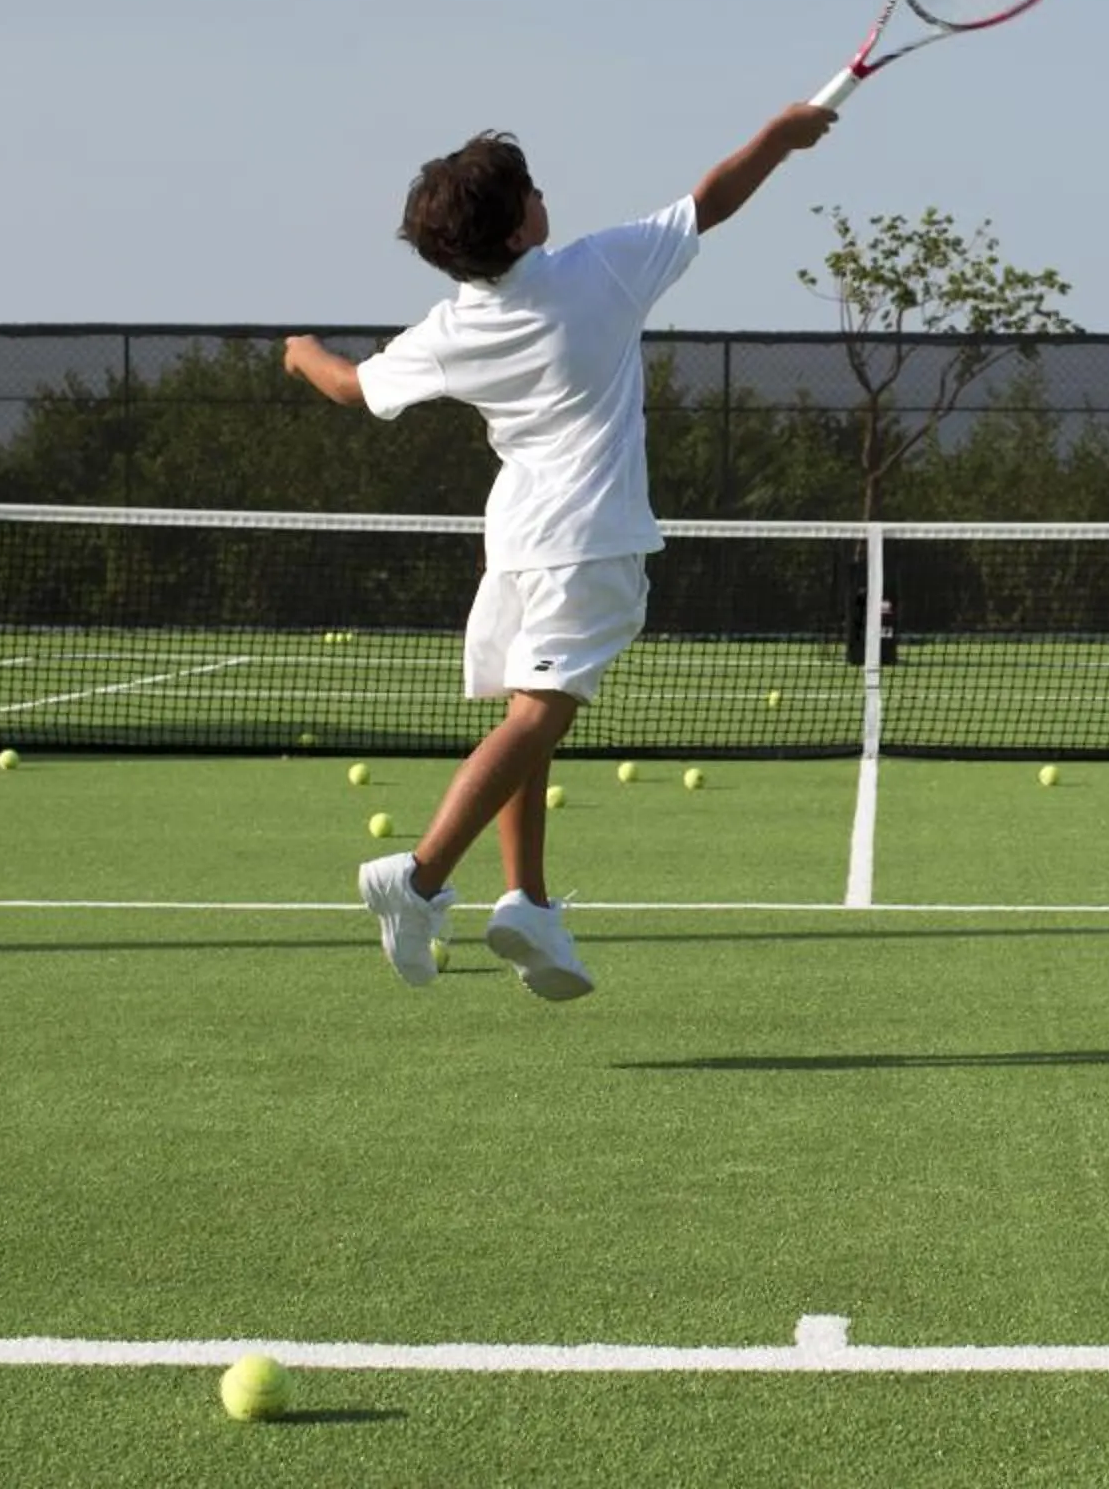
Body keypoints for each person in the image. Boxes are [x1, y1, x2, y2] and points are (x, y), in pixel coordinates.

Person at [284, 102, 834, 997]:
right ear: (517, 226)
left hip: (516, 542)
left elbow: (349, 387)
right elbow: (709, 202)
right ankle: (418, 877)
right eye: (531, 190)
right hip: (589, 542)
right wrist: (781, 137)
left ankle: (529, 903)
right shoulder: (602, 271)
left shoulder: (451, 330)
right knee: (542, 715)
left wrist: (299, 351)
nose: (545, 195)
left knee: (528, 717)